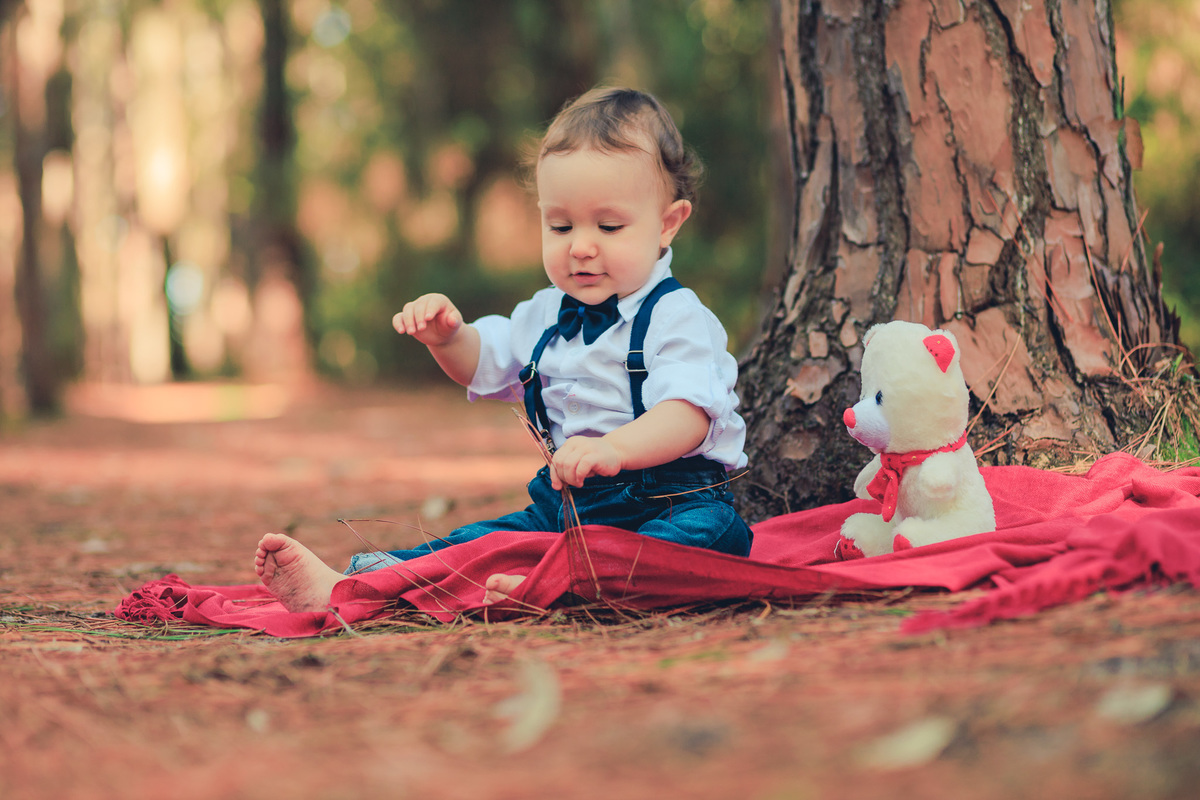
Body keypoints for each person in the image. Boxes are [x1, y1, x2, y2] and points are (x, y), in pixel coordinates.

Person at [255, 86, 752, 613]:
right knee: (480, 543)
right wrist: (448, 337)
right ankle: (357, 585)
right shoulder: (544, 313)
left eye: (609, 226)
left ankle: (564, 586)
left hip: (674, 500)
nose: (580, 245)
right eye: (559, 225)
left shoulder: (677, 315)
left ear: (668, 223)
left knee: (708, 539)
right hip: (568, 509)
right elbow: (485, 362)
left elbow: (688, 415)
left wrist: (614, 450)